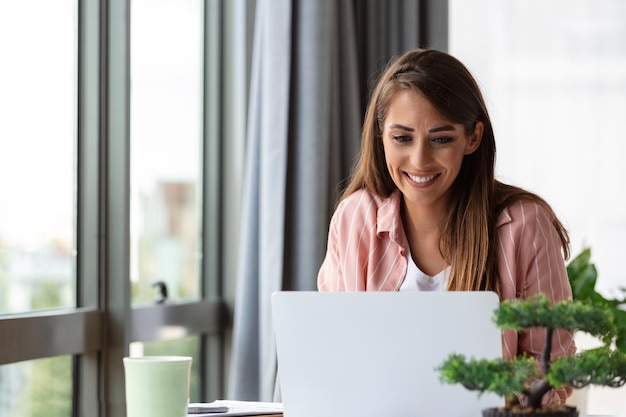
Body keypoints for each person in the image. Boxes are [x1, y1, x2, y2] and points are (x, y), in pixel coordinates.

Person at [317, 48, 576, 405]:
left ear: (472, 138)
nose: (419, 160)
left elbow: (553, 371)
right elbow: (333, 356)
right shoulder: (355, 219)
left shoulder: (524, 226)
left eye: (441, 139)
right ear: (381, 135)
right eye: (402, 138)